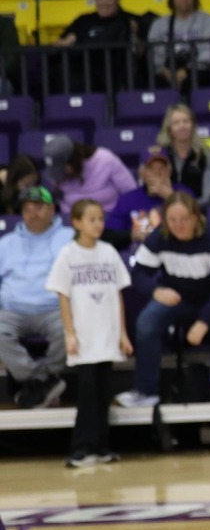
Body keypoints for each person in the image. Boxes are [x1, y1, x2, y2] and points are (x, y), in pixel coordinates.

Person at [120, 192, 210, 406]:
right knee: (146, 322)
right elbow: (138, 274)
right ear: (165, 220)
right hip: (183, 292)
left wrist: (203, 322)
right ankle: (146, 392)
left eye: (185, 219)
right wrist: (155, 291)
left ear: (196, 217)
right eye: (172, 220)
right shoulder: (158, 238)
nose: (179, 225)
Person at [46, 199, 129, 466]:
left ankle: (102, 447)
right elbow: (63, 297)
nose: (98, 225)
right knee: (87, 394)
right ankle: (80, 448)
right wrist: (69, 333)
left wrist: (123, 334)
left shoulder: (109, 253)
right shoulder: (68, 255)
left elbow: (117, 296)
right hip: (84, 337)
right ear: (77, 223)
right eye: (92, 219)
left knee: (104, 393)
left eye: (101, 219)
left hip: (107, 335)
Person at [0, 187, 74, 410]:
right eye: (27, 209)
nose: (33, 213)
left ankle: (42, 380)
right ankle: (41, 379)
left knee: (68, 328)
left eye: (39, 207)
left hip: (54, 307)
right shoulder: (6, 243)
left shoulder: (69, 238)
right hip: (13, 309)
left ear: (52, 209)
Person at [149, 0, 210, 91]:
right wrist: (164, 71)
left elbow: (208, 53)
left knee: (199, 78)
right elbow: (154, 55)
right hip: (167, 72)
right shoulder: (158, 24)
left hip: (198, 72)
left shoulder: (208, 21)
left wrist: (188, 70)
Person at [49, 139, 134, 218]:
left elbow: (131, 192)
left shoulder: (105, 159)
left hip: (110, 218)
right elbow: (56, 198)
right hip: (72, 221)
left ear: (74, 161)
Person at [109, 153, 179, 248]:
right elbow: (111, 235)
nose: (157, 173)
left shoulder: (183, 193)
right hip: (137, 252)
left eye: (162, 167)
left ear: (170, 172)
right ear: (142, 174)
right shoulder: (128, 199)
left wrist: (170, 197)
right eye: (151, 168)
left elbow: (196, 228)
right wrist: (132, 235)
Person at [154, 103, 210, 201]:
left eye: (186, 121)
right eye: (176, 123)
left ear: (193, 125)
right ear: (169, 128)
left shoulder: (208, 157)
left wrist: (179, 203)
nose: (182, 126)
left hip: (197, 212)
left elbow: (208, 198)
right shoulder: (159, 156)